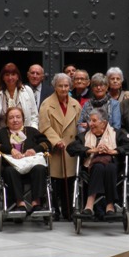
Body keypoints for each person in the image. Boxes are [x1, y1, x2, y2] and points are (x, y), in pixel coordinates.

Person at [68, 108, 129, 219]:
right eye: (90, 120)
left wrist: (114, 151)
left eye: (94, 121)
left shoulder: (116, 134)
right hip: (91, 167)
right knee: (98, 166)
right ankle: (92, 205)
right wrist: (91, 150)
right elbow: (71, 147)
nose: (90, 124)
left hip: (112, 167)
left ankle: (108, 206)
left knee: (109, 168)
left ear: (103, 123)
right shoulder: (84, 136)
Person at [0, 105, 50, 214]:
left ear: (23, 119)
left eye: (18, 117)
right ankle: (20, 203)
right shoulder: (2, 133)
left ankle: (37, 203)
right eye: (11, 118)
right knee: (9, 170)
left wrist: (34, 150)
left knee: (40, 168)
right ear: (7, 121)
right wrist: (10, 150)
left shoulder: (32, 131)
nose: (15, 120)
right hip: (11, 169)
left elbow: (47, 143)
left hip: (31, 167)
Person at [39, 73, 81, 218]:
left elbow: (79, 126)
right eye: (60, 86)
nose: (63, 89)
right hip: (56, 148)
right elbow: (44, 126)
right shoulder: (46, 104)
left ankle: (68, 210)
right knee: (55, 180)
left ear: (70, 86)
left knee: (69, 180)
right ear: (54, 87)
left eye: (66, 85)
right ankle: (55, 209)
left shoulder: (75, 104)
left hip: (70, 148)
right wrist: (56, 140)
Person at [0, 62, 38, 135]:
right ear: (3, 77)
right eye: (7, 75)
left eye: (13, 74)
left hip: (25, 136)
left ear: (17, 77)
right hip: (2, 138)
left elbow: (34, 116)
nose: (10, 78)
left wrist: (32, 132)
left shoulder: (27, 91)